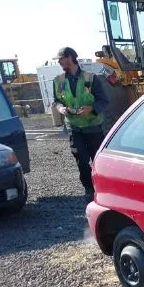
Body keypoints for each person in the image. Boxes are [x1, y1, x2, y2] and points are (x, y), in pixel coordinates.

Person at [52, 47, 109, 199]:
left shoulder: (91, 78)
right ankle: (89, 189)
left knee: (97, 160)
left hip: (93, 127)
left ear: (70, 57)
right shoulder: (58, 81)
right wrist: (61, 108)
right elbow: (57, 101)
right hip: (74, 127)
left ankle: (102, 188)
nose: (59, 62)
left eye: (61, 59)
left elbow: (103, 101)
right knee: (81, 160)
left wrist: (91, 108)